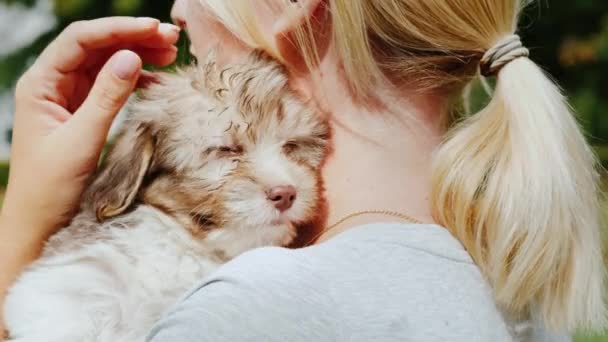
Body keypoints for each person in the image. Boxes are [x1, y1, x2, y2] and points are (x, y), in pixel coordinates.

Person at [0, 0, 605, 341]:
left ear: (291, 7)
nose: (180, 9)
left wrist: (24, 220)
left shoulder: (250, 311)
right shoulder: (515, 285)